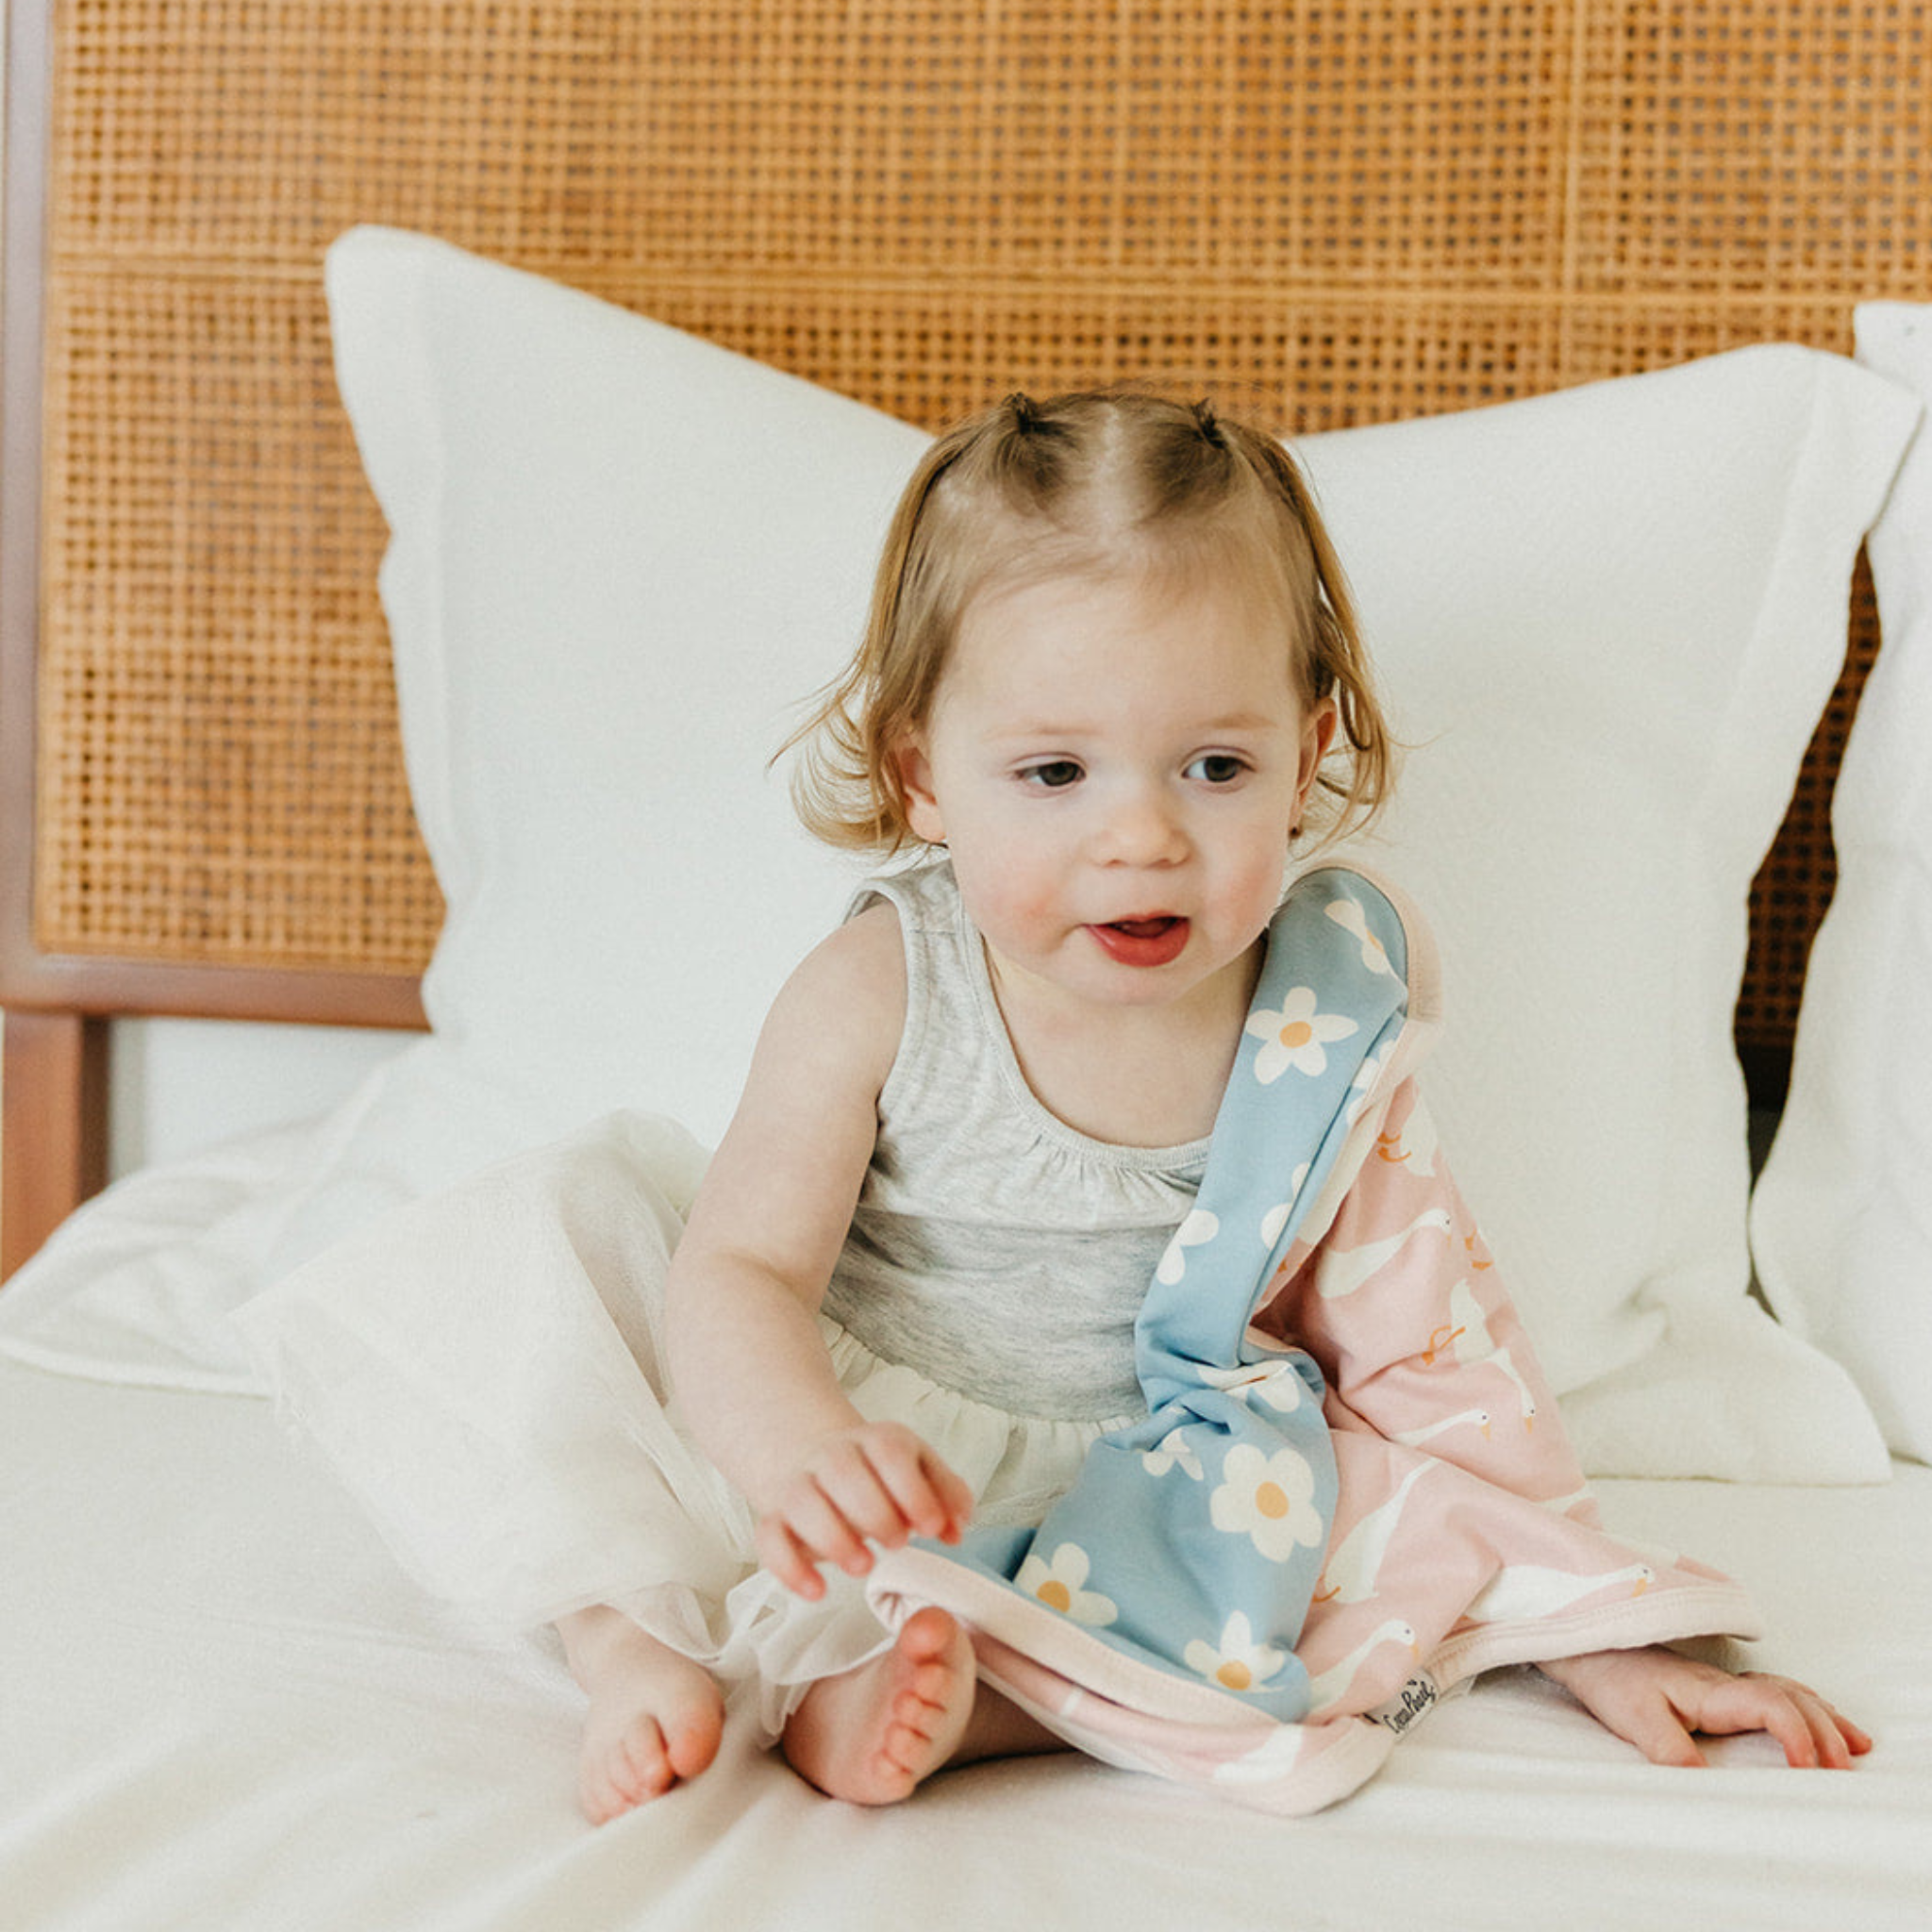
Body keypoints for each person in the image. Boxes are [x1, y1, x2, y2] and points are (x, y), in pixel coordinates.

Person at [555, 389, 1870, 1823]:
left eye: (1216, 768)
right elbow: (744, 1271)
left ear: (1305, 758)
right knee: (562, 1278)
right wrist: (802, 1449)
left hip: (1153, 1485)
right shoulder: (880, 987)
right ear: (922, 776)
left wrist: (1599, 1633)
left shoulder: (1319, 1012)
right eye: (1055, 772)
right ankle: (630, 1644)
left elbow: (1427, 1345)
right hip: (844, 1437)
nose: (1141, 837)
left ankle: (949, 1693)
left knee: (1346, 1540)